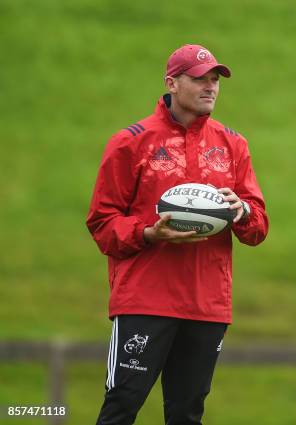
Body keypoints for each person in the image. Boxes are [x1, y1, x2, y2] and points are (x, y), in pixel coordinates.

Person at [86, 44, 269, 425]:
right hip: (144, 300)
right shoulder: (130, 142)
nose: (211, 87)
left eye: (215, 79)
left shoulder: (233, 144)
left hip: (207, 304)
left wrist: (242, 211)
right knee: (122, 405)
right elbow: (102, 223)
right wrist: (149, 233)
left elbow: (258, 227)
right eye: (200, 78)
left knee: (187, 414)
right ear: (172, 82)